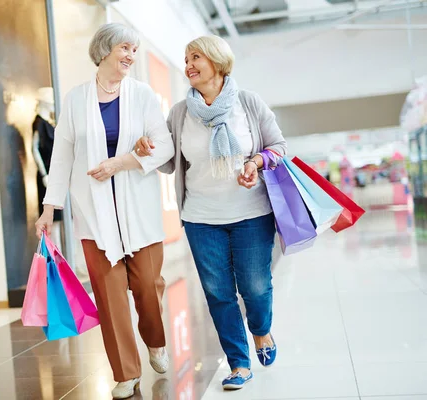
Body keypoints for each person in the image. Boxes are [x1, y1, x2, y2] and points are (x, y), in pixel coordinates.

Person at [135, 35, 287, 390]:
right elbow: (170, 163)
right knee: (218, 293)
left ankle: (262, 331)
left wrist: (256, 160)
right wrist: (146, 146)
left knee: (255, 286)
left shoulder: (247, 103)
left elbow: (278, 146)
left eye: (196, 57)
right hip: (201, 218)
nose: (188, 64)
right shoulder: (180, 113)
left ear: (218, 63)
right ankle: (238, 363)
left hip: (251, 213)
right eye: (186, 58)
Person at [35, 23, 175, 399]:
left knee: (147, 287)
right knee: (110, 298)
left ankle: (155, 343)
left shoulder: (143, 95)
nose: (130, 55)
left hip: (139, 213)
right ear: (104, 50)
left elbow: (164, 147)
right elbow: (61, 155)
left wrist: (124, 161)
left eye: (134, 49)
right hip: (94, 217)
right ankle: (126, 373)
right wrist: (50, 207)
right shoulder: (76, 99)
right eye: (125, 48)